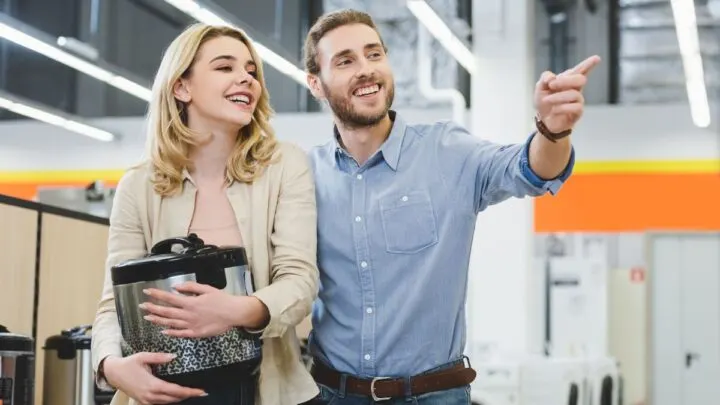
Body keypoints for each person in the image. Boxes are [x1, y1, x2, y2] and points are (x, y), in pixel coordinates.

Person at [301, 9, 600, 405]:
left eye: (374, 55)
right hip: (332, 393)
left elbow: (528, 170)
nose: (366, 70)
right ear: (315, 84)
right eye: (345, 61)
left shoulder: (448, 152)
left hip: (434, 396)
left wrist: (553, 129)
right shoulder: (304, 176)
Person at [91, 23, 320, 405]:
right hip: (163, 391)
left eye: (250, 71)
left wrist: (233, 311)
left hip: (266, 389)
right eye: (225, 67)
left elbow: (299, 282)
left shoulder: (285, 165)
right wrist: (111, 365)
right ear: (182, 87)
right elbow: (113, 305)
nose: (245, 79)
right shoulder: (138, 186)